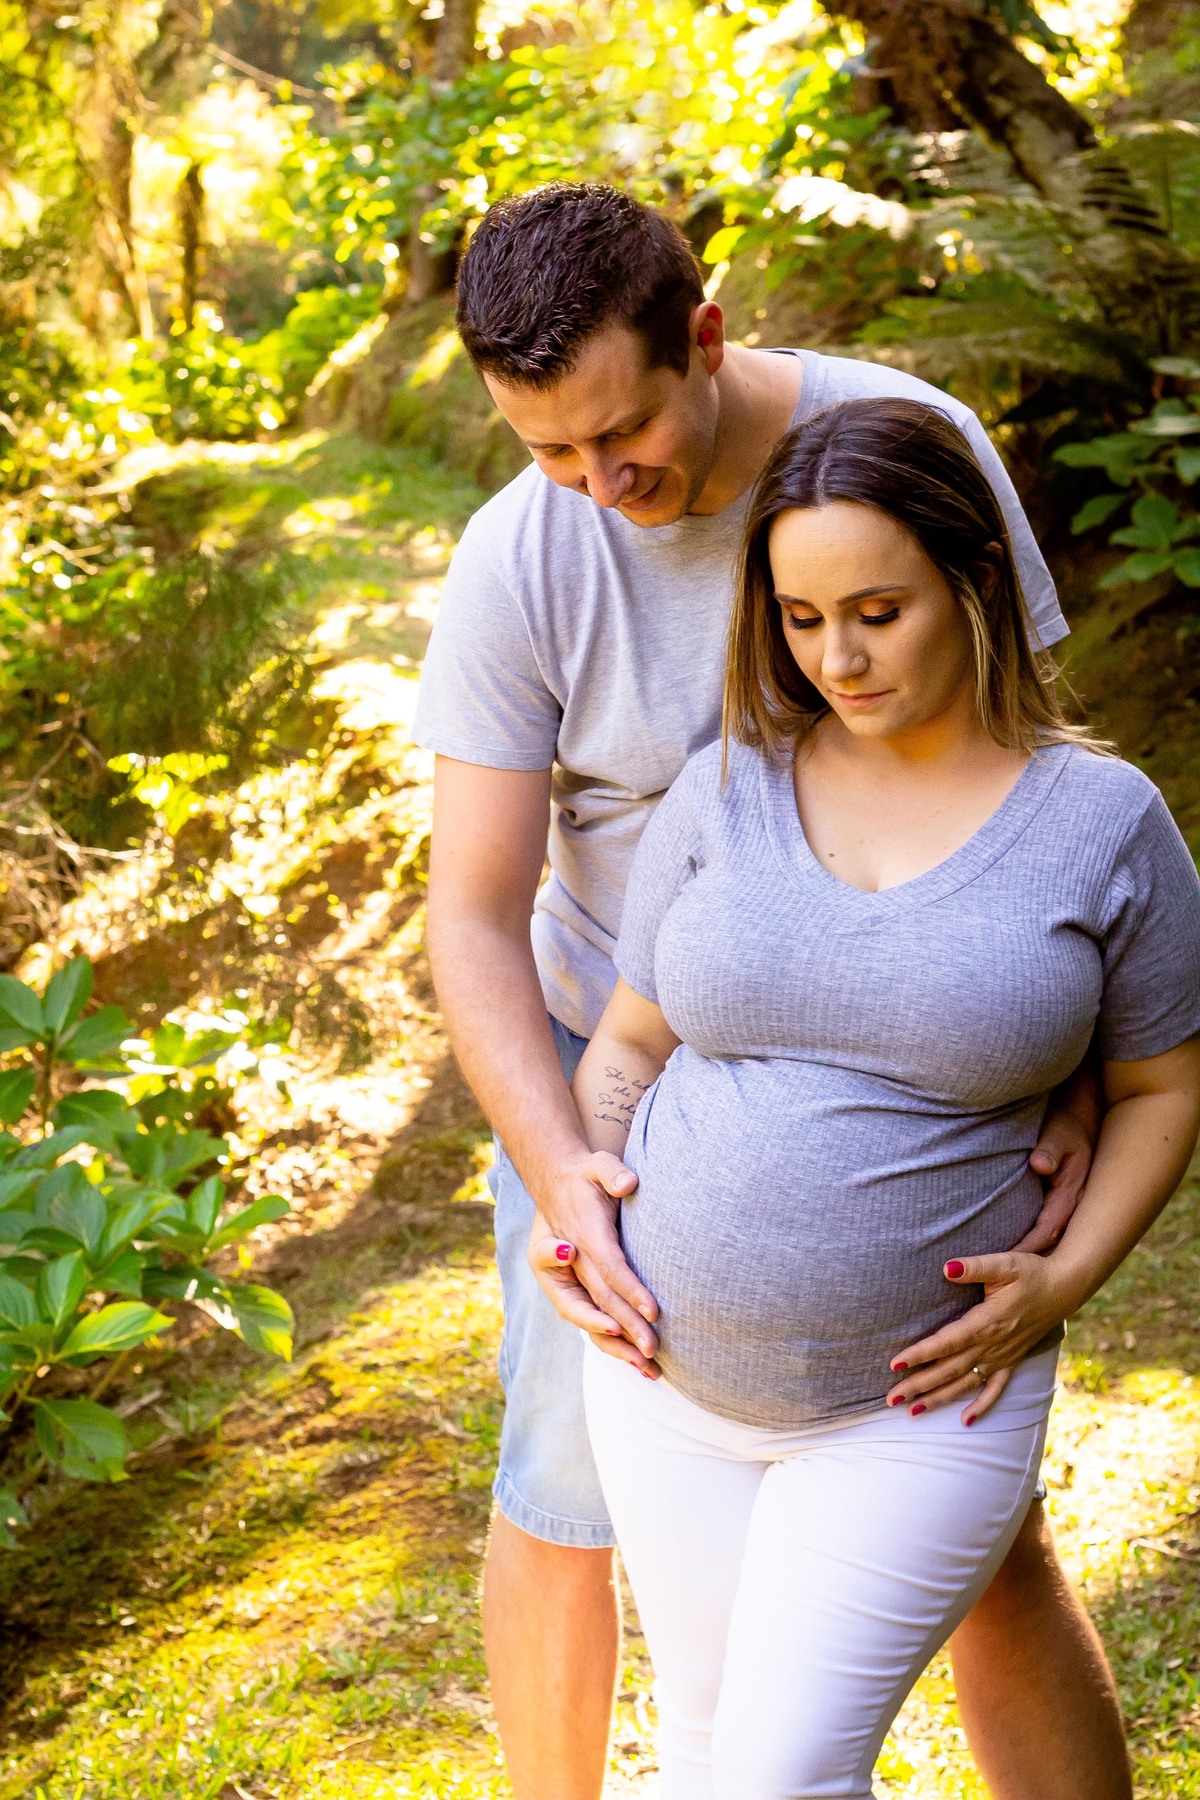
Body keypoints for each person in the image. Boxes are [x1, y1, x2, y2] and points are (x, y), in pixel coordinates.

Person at [417, 182, 1128, 1799]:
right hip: (622, 1050)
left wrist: (1076, 1069)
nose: (600, 488)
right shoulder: (522, 554)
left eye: (625, 434)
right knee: (560, 1494)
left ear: (708, 336)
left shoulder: (904, 444)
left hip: (919, 1054)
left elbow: (1039, 791)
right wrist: (561, 1174)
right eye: (549, 450)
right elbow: (473, 909)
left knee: (986, 1543)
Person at [541, 396, 1200, 1797]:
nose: (836, 658)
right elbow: (629, 1044)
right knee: (704, 1748)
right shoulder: (725, 787)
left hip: (919, 1401)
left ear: (976, 581)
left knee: (777, 1776)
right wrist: (587, 1199)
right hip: (662, 1381)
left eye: (878, 613)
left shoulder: (1104, 823)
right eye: (800, 619)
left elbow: (1160, 1085)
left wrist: (1066, 1280)